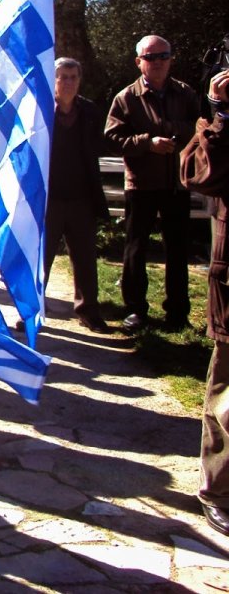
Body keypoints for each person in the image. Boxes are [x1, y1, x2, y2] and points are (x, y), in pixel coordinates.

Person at [105, 35, 202, 332]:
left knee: (177, 249)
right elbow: (112, 138)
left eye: (163, 56)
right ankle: (135, 310)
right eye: (151, 57)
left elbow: (201, 129)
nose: (158, 62)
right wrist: (148, 143)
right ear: (139, 62)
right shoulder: (126, 98)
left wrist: (172, 132)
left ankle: (177, 312)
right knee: (136, 248)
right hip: (142, 185)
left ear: (171, 59)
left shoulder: (185, 94)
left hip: (176, 184)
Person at [180, 68, 229, 538]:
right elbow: (198, 175)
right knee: (228, 396)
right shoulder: (216, 127)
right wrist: (220, 115)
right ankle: (218, 489)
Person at [45, 58, 111, 333]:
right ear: (54, 79)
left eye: (73, 76)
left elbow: (101, 143)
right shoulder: (41, 109)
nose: (68, 82)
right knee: (42, 258)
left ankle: (88, 311)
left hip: (82, 196)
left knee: (85, 257)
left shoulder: (90, 111)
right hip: (48, 199)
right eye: (62, 76)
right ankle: (31, 311)